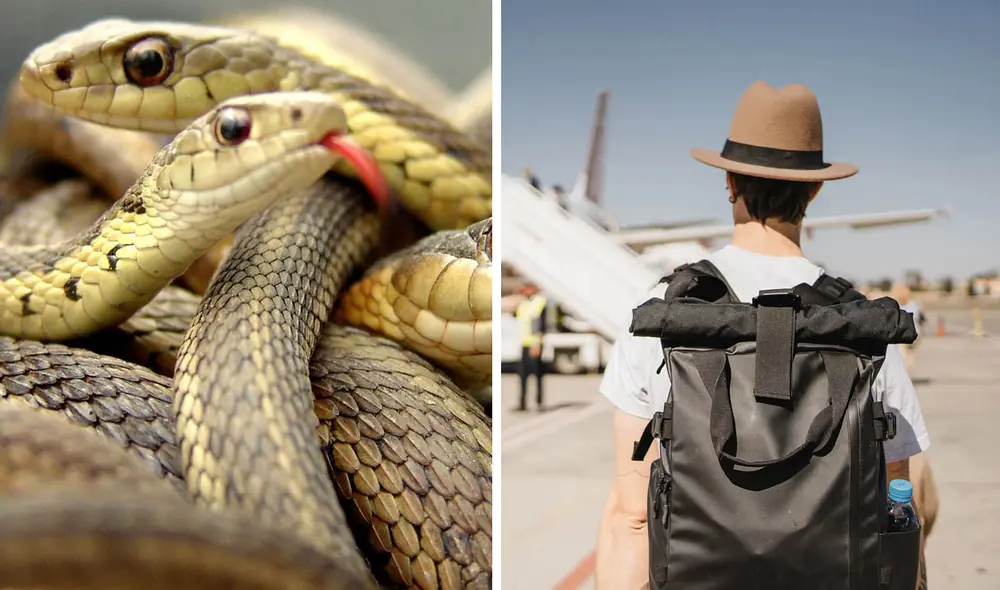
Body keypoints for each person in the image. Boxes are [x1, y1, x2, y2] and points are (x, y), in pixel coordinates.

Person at [594, 81, 931, 589]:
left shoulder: (666, 315)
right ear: (815, 188)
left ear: (728, 181)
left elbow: (631, 517)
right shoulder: (860, 326)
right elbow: (895, 505)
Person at [514, 283, 547, 411]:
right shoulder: (523, 304)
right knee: (523, 375)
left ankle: (539, 402)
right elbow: (516, 316)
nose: (525, 291)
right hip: (524, 343)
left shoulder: (540, 303)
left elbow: (540, 325)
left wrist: (537, 344)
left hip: (535, 344)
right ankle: (522, 403)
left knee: (537, 375)